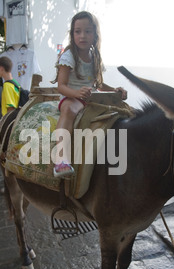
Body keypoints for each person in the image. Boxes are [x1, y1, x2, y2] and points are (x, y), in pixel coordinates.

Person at [51, 11, 127, 177]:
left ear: (95, 34)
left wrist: (115, 91)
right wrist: (76, 93)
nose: (82, 36)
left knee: (122, 111)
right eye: (77, 31)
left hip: (90, 97)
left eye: (88, 31)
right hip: (71, 96)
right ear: (72, 34)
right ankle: (61, 159)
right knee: (69, 110)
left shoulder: (95, 57)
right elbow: (61, 86)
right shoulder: (69, 55)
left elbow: (98, 84)